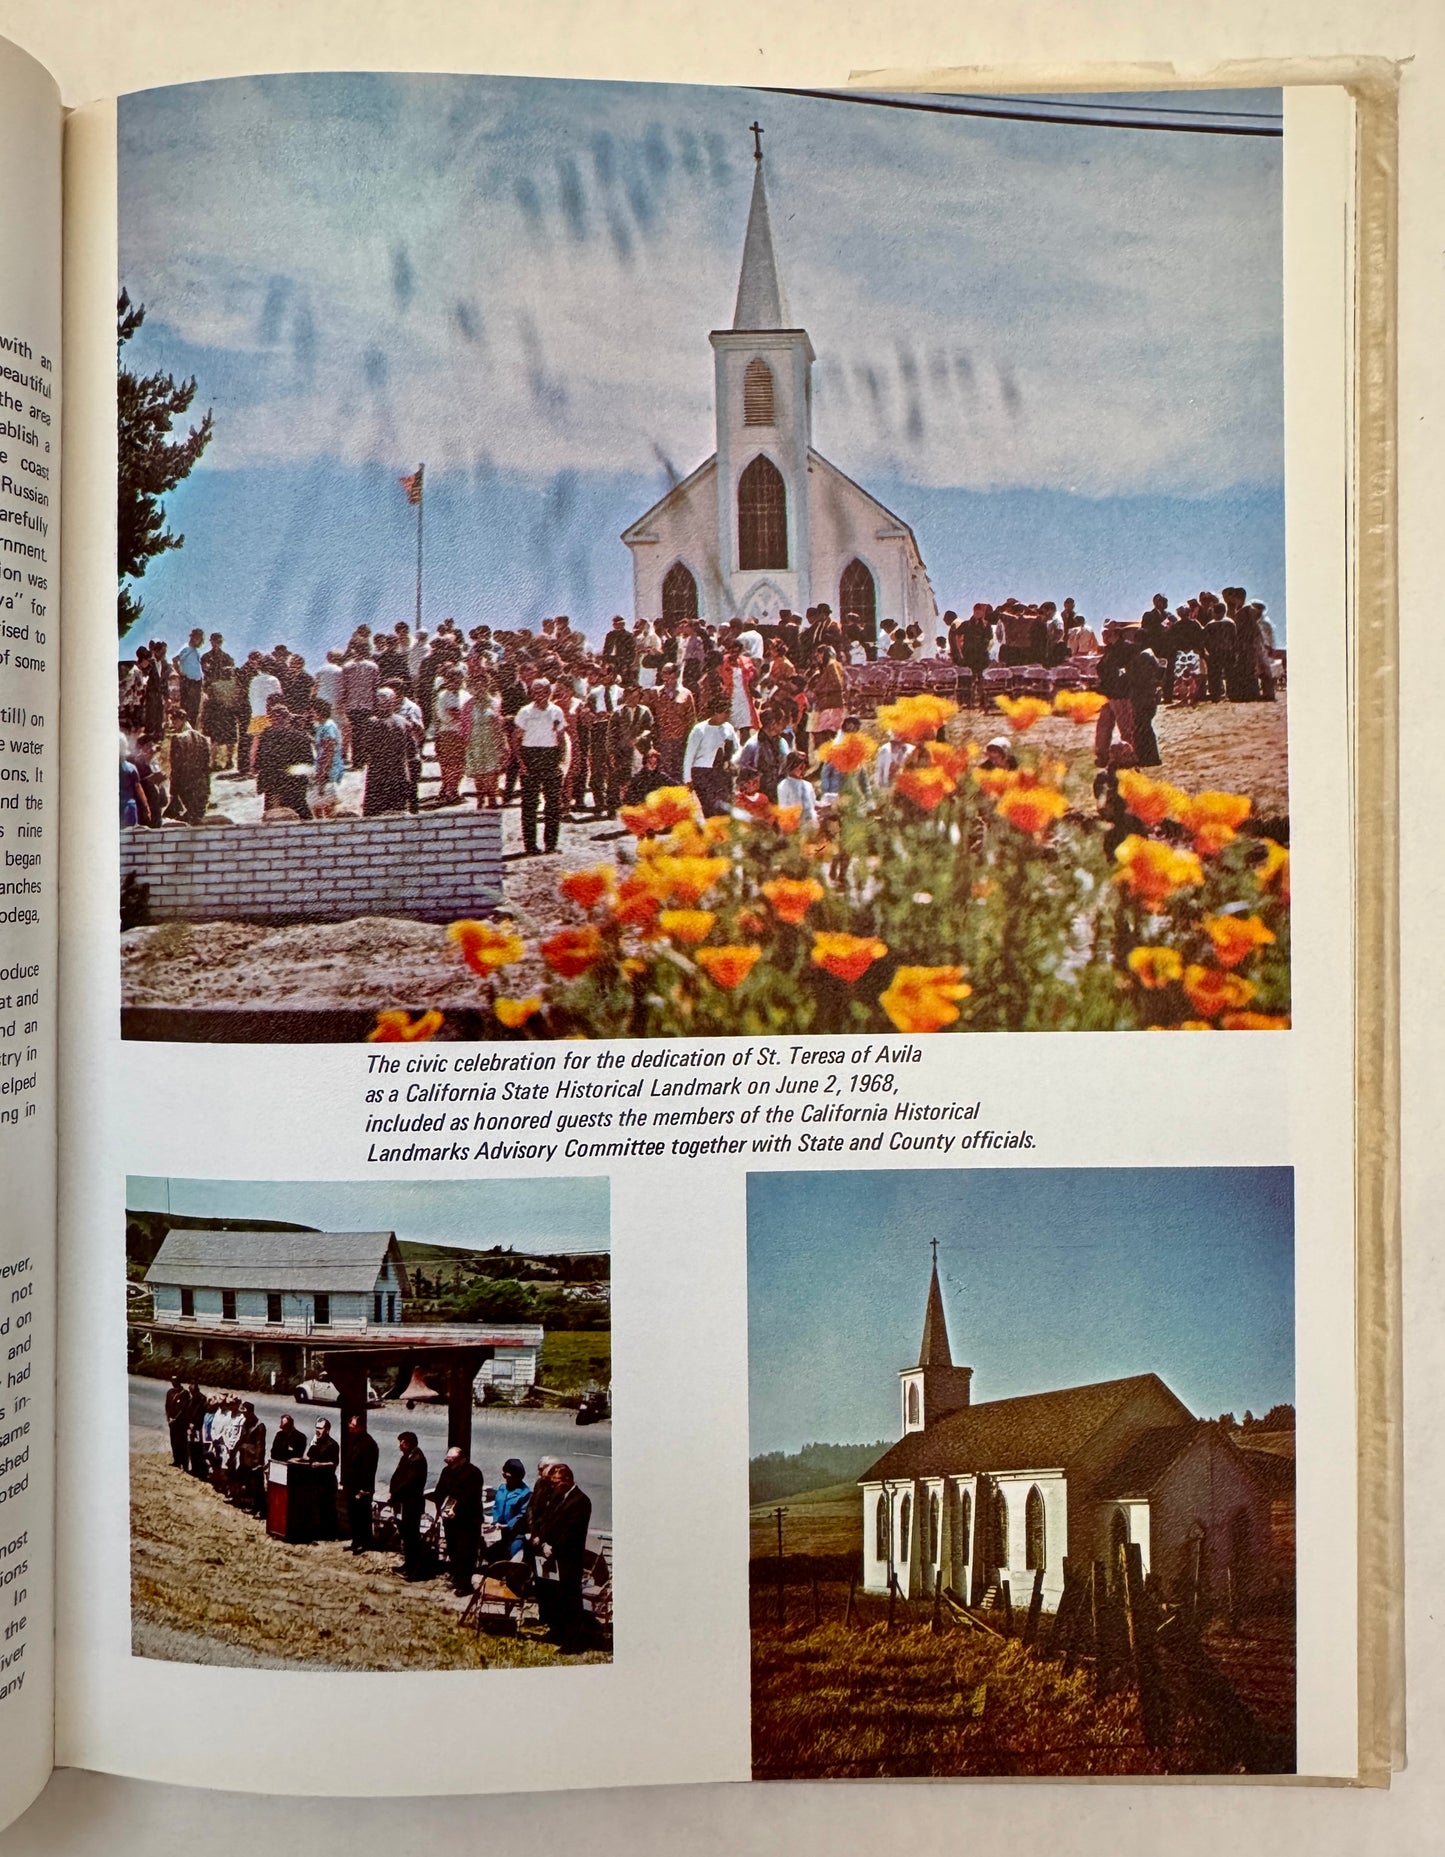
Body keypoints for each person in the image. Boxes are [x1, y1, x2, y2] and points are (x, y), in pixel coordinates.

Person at [528, 1463, 593, 1649]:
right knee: (553, 1596)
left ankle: (572, 1640)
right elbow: (548, 1521)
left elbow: (571, 1531)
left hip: (568, 1557)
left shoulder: (581, 1501)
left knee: (569, 1598)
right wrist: (542, 1540)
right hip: (551, 1554)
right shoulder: (558, 1497)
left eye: (555, 1482)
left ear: (567, 1480)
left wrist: (553, 1547)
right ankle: (556, 1631)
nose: (553, 1486)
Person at [512, 677, 569, 854]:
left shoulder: (556, 711)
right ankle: (530, 845)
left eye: (543, 691)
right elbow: (516, 739)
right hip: (531, 756)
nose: (539, 695)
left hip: (550, 756)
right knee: (530, 803)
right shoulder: (525, 712)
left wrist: (561, 759)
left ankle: (551, 844)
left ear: (549, 692)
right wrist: (521, 762)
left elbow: (561, 737)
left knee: (553, 803)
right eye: (535, 692)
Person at [432, 1445, 486, 1595]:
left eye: (452, 1460)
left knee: (466, 1552)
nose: (448, 1463)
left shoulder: (473, 1473)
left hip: (467, 1520)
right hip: (449, 1519)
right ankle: (456, 1576)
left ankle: (465, 1584)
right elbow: (439, 1491)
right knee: (453, 1549)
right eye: (447, 1460)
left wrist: (456, 1509)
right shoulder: (446, 1471)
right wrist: (441, 1508)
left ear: (462, 1460)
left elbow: (471, 1497)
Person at [362, 687, 421, 817]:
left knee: (376, 811)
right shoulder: (403, 722)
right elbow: (412, 750)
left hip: (379, 772)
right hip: (398, 770)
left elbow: (366, 748)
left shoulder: (372, 723)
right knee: (398, 810)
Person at [682, 700, 739, 818]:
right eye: (725, 712)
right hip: (702, 772)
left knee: (724, 805)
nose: (728, 715)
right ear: (716, 712)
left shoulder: (728, 728)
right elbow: (689, 754)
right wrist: (687, 778)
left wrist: (731, 762)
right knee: (710, 806)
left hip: (721, 772)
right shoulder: (699, 729)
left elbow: (736, 748)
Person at [389, 1430, 430, 1581]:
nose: (400, 1445)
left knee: (412, 1537)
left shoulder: (417, 1459)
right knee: (406, 1536)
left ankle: (413, 1569)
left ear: (409, 1443)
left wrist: (395, 1494)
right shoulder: (407, 1457)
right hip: (404, 1503)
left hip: (412, 1503)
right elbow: (398, 1476)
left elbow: (409, 1482)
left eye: (402, 1442)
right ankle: (407, 1564)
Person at [431, 663, 470, 806]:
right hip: (448, 733)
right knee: (450, 764)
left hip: (463, 732)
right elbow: (446, 715)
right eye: (453, 680)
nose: (456, 683)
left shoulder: (466, 695)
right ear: (447, 680)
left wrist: (461, 715)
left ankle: (452, 789)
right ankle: (450, 791)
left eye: (459, 679)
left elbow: (469, 713)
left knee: (461, 764)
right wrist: (459, 715)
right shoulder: (443, 696)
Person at [651, 664, 697, 783]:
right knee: (662, 774)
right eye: (663, 673)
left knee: (678, 773)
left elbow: (691, 720)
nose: (665, 676)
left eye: (668, 673)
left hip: (679, 742)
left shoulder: (686, 694)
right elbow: (650, 716)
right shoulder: (655, 692)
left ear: (676, 674)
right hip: (661, 741)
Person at [165, 707, 212, 824]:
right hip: (200, 785)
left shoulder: (178, 739)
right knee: (197, 818)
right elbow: (207, 766)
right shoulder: (203, 738)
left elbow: (176, 767)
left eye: (174, 720)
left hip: (185, 785)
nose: (173, 723)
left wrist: (173, 790)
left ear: (181, 720)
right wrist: (207, 787)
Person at [465, 677, 506, 809]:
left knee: (492, 770)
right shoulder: (468, 705)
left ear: (487, 686)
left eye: (482, 686)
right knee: (478, 770)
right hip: (475, 739)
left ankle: (492, 798)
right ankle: (480, 796)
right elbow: (463, 725)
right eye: (475, 687)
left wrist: (502, 742)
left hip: (490, 738)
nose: (479, 689)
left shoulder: (494, 702)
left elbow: (499, 723)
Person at [342, 1414, 380, 1554]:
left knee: (363, 1516)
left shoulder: (369, 1444)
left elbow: (369, 1470)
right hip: (351, 1486)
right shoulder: (352, 1440)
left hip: (362, 1488)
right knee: (353, 1515)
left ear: (361, 1427)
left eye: (353, 1426)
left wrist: (364, 1489)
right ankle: (355, 1541)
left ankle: (365, 1543)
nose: (350, 1428)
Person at [486, 1457, 532, 1565]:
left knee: (514, 1558)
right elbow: (496, 1506)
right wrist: (495, 1521)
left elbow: (522, 1514)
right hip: (500, 1531)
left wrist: (508, 1525)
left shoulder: (525, 1493)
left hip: (516, 1533)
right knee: (492, 1555)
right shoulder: (502, 1488)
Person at [309, 696, 345, 817]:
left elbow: (330, 749)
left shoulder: (328, 726)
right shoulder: (321, 725)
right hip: (322, 765)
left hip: (328, 767)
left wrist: (324, 770)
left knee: (327, 803)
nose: (312, 714)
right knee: (317, 803)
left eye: (313, 711)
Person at [305, 1416, 340, 1534]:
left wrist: (320, 1465)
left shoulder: (332, 1444)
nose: (317, 1430)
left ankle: (331, 1532)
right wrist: (312, 1444)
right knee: (318, 1507)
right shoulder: (316, 1443)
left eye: (320, 1428)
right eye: (316, 1428)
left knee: (328, 1507)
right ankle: (320, 1530)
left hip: (327, 1481)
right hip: (315, 1480)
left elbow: (334, 1463)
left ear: (327, 1430)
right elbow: (308, 1457)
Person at [235, 1403, 268, 1513]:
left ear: (250, 1412)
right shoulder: (246, 1423)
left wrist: (257, 1462)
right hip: (244, 1458)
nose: (243, 1415)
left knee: (256, 1486)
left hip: (254, 1461)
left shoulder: (259, 1426)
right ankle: (247, 1503)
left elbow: (260, 1445)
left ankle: (258, 1508)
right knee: (245, 1481)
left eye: (245, 1412)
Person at [776, 750, 818, 829]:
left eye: (804, 768)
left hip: (811, 823)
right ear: (791, 767)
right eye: (800, 768)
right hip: (795, 824)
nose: (802, 771)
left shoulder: (808, 785)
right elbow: (783, 808)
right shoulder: (784, 785)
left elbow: (812, 803)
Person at [174, 628, 205, 723]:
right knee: (187, 707)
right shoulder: (186, 648)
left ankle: (192, 727)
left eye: (200, 639)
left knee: (195, 708)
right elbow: (175, 660)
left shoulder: (195, 650)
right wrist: (181, 673)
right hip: (189, 681)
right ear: (192, 637)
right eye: (197, 638)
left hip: (196, 681)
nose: (198, 640)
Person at [164, 1376, 190, 1469]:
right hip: (172, 1422)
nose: (173, 1382)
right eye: (172, 1380)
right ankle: (176, 1461)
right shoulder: (170, 1392)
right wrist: (168, 1418)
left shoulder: (185, 1393)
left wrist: (175, 1418)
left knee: (182, 1442)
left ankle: (184, 1463)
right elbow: (167, 1406)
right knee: (174, 1441)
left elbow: (183, 1408)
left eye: (175, 1381)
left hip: (181, 1422)